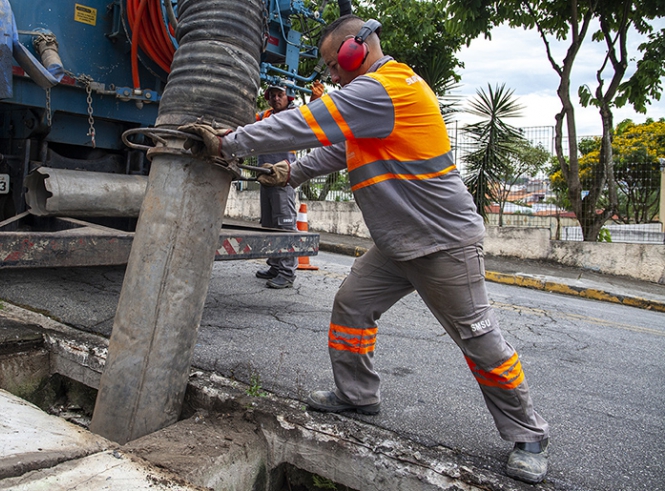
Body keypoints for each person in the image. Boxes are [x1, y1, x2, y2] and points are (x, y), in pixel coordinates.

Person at [180, 14, 550, 485]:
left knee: (478, 338)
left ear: (361, 48)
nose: (332, 76)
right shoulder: (370, 103)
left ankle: (529, 434)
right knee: (352, 307)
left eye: (336, 64)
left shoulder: (386, 89)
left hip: (443, 243)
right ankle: (357, 395)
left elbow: (307, 123)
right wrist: (289, 174)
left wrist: (227, 142)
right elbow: (337, 148)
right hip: (398, 243)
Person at [254, 80, 324, 288]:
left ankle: (286, 273)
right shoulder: (266, 116)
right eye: (272, 95)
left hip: (283, 179)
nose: (276, 98)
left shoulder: (295, 115)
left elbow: (311, 117)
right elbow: (245, 121)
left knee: (284, 225)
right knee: (269, 225)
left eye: (280, 94)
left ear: (289, 97)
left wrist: (315, 101)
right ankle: (275, 266)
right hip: (265, 177)